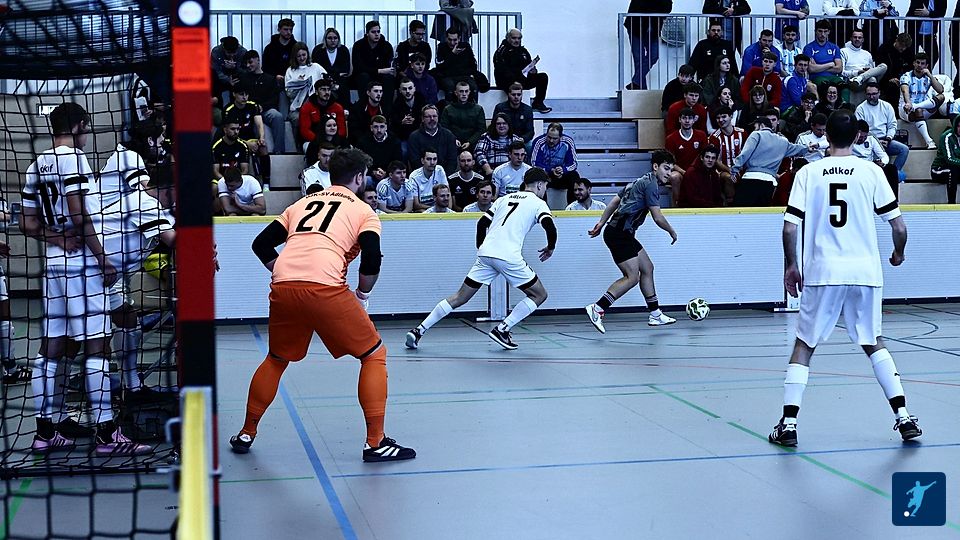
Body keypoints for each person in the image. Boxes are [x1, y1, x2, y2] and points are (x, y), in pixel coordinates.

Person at [230, 148, 416, 463]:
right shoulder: (363, 211)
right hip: (325, 287)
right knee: (373, 355)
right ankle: (375, 442)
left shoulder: (301, 204)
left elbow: (260, 244)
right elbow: (372, 258)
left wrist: (285, 271)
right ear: (360, 178)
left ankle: (247, 432)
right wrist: (362, 295)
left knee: (276, 359)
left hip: (284, 286)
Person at [768, 109, 921, 448]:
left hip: (824, 271)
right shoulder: (871, 171)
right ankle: (904, 416)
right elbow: (899, 226)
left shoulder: (809, 173)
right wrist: (899, 254)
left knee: (804, 344)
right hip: (864, 271)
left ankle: (789, 424)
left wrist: (791, 266)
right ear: (856, 137)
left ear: (826, 136)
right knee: (873, 340)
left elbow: (789, 228)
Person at [21, 102, 148, 455]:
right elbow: (79, 215)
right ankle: (107, 434)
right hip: (82, 265)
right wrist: (103, 258)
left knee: (51, 347)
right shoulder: (74, 160)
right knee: (97, 345)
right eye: (87, 128)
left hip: (53, 266)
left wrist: (55, 239)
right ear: (79, 125)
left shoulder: (35, 164)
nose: (87, 134)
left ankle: (45, 432)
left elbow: (27, 223)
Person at [405, 167, 557, 350]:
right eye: (545, 186)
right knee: (539, 295)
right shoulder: (538, 203)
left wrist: (482, 248)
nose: (545, 189)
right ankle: (502, 329)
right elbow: (550, 226)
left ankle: (418, 330)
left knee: (460, 297)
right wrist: (550, 247)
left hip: (486, 253)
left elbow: (482, 223)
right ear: (540, 185)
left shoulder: (503, 199)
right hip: (508, 255)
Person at [584, 150, 678, 333]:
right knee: (632, 277)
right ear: (655, 166)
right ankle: (598, 308)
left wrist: (601, 223)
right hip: (619, 234)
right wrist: (672, 231)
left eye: (671, 169)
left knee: (647, 268)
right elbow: (657, 217)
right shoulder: (651, 185)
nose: (669, 173)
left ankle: (655, 314)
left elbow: (614, 201)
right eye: (666, 168)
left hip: (622, 233)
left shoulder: (638, 181)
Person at [731, 116, 812, 206]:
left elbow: (745, 153)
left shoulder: (756, 134)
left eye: (755, 127)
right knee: (762, 212)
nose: (754, 129)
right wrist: (807, 148)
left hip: (750, 178)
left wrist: (735, 169)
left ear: (761, 125)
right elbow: (796, 148)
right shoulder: (783, 141)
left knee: (741, 211)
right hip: (770, 181)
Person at [856, 80, 909, 176]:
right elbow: (861, 129)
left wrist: (888, 139)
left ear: (879, 93)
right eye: (869, 94)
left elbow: (892, 125)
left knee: (904, 149)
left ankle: (893, 174)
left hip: (886, 139)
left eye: (874, 94)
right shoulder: (861, 109)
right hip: (869, 140)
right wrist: (876, 141)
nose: (871, 97)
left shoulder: (887, 106)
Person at [493, 28, 552, 113]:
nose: (517, 40)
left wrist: (533, 71)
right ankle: (513, 107)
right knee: (510, 80)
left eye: (519, 38)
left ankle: (538, 103)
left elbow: (528, 65)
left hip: (522, 78)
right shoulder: (501, 51)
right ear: (508, 38)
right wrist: (516, 78)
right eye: (514, 38)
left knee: (543, 77)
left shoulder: (523, 51)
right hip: (507, 81)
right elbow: (501, 71)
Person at [224, 87, 271, 187]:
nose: (244, 97)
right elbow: (230, 133)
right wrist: (246, 143)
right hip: (234, 140)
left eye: (246, 94)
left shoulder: (253, 105)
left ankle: (266, 183)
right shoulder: (229, 110)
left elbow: (259, 124)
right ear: (234, 94)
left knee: (263, 147)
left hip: (251, 138)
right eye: (241, 94)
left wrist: (261, 138)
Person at [242, 50, 286, 154]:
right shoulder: (244, 79)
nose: (248, 65)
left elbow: (274, 99)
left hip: (266, 110)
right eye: (246, 63)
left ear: (258, 60)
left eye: (250, 62)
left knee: (277, 116)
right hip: (251, 112)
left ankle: (279, 151)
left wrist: (262, 106)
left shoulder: (270, 79)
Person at [624, 0, 673, 90]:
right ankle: (640, 88)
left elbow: (668, 7)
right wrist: (657, 8)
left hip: (653, 28)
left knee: (653, 55)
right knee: (639, 58)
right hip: (635, 27)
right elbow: (641, 6)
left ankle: (636, 83)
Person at [899, 53, 945, 149]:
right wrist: (909, 103)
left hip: (922, 108)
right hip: (906, 109)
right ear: (914, 63)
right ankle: (929, 141)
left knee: (941, 97)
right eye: (918, 62)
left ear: (926, 65)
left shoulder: (928, 77)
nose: (920, 65)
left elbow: (940, 90)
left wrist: (930, 75)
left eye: (922, 63)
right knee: (918, 110)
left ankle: (916, 106)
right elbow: (905, 90)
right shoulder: (906, 76)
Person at [665, 107, 709, 204]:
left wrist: (693, 172)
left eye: (690, 118)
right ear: (679, 119)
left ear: (694, 120)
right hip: (680, 171)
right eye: (684, 118)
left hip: (698, 170)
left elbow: (705, 157)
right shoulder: (671, 138)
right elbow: (670, 162)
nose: (687, 121)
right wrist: (684, 172)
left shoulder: (701, 135)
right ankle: (677, 205)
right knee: (674, 177)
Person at [531, 122, 579, 206]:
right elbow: (534, 163)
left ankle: (572, 207)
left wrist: (563, 170)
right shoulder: (539, 142)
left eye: (555, 138)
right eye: (549, 137)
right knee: (537, 176)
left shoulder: (568, 142)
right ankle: (542, 207)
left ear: (560, 137)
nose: (551, 141)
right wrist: (550, 170)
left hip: (562, 175)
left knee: (574, 176)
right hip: (546, 174)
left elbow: (573, 164)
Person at [285, 43, 326, 141]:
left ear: (308, 54)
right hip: (297, 107)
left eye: (304, 55)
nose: (302, 58)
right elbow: (288, 93)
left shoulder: (316, 67)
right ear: (295, 57)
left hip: (316, 104)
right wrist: (298, 85)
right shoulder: (290, 70)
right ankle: (298, 145)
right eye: (299, 56)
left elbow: (325, 82)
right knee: (297, 118)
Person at [352, 21, 396, 105]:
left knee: (389, 78)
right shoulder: (358, 45)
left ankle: (386, 108)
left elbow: (387, 67)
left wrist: (378, 71)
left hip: (380, 76)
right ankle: (364, 106)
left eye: (378, 31)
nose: (376, 34)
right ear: (367, 33)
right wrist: (378, 70)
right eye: (373, 32)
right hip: (363, 75)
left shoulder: (386, 46)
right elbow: (358, 67)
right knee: (363, 76)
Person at [853, 119, 900, 198]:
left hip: (869, 166)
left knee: (891, 169)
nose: (863, 139)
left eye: (865, 137)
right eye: (860, 137)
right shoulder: (847, 140)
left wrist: (882, 163)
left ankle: (893, 199)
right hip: (854, 167)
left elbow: (884, 156)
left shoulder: (871, 138)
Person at [407, 104, 459, 172]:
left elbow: (452, 160)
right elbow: (415, 161)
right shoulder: (414, 137)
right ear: (422, 119)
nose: (432, 119)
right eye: (428, 117)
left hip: (444, 175)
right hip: (422, 175)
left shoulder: (448, 135)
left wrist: (444, 176)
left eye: (434, 116)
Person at [355, 115, 403, 185]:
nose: (379, 130)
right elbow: (360, 163)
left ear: (386, 127)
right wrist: (373, 173)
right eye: (376, 127)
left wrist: (386, 173)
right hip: (370, 176)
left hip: (390, 177)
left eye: (382, 127)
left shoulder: (394, 141)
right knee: (361, 181)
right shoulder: (363, 142)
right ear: (371, 128)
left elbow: (397, 162)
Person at [804, 20, 846, 99]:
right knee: (825, 85)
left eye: (825, 31)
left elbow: (839, 68)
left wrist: (818, 67)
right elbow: (811, 69)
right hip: (817, 77)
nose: (822, 34)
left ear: (829, 32)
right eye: (820, 31)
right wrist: (830, 64)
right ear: (815, 31)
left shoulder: (834, 47)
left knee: (845, 87)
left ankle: (844, 106)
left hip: (833, 77)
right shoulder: (809, 48)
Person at [474, 112, 525, 177]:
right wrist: (487, 168)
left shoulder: (515, 139)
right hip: (491, 171)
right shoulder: (486, 137)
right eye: (498, 124)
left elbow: (522, 155)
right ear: (494, 125)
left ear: (508, 125)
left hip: (511, 173)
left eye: (504, 123)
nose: (501, 126)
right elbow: (478, 152)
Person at [299, 78, 347, 146]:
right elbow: (305, 131)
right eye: (323, 89)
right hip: (314, 141)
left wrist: (333, 141)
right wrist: (320, 141)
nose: (327, 92)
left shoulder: (338, 107)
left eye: (328, 89)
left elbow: (342, 130)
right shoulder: (307, 108)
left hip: (334, 141)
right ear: (316, 92)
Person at [311, 28, 352, 108]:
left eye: (335, 38)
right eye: (330, 38)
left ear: (338, 39)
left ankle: (345, 110)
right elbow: (317, 69)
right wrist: (334, 74)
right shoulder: (318, 50)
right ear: (325, 39)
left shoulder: (343, 50)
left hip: (340, 80)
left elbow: (345, 70)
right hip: (322, 79)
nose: (333, 40)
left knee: (343, 87)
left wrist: (333, 75)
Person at [709, 106, 746, 193]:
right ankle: (730, 200)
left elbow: (747, 154)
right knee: (728, 177)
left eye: (724, 116)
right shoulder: (714, 137)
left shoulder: (742, 133)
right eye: (718, 118)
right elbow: (716, 160)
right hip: (723, 171)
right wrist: (730, 170)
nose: (721, 120)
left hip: (741, 169)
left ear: (731, 116)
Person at [434, 27, 481, 97]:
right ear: (446, 38)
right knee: (450, 88)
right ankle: (449, 104)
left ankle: (473, 104)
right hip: (448, 76)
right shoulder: (442, 47)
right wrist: (452, 54)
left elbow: (473, 63)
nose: (452, 43)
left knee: (473, 88)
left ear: (459, 38)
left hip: (464, 75)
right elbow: (440, 66)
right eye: (450, 39)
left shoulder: (465, 46)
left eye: (455, 40)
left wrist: (472, 74)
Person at [440, 80, 486, 150]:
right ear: (456, 93)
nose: (464, 94)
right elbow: (444, 128)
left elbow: (481, 129)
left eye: (466, 91)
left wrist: (470, 142)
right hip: (452, 143)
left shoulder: (478, 109)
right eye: (461, 91)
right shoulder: (448, 109)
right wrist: (453, 139)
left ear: (469, 92)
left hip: (473, 144)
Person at [906, 0, 947, 72]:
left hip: (929, 34)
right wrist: (930, 14)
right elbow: (916, 11)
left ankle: (925, 74)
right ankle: (912, 75)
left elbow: (942, 13)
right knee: (910, 56)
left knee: (934, 55)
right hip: (914, 32)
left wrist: (929, 13)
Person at [930, 114, 960, 204]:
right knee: (952, 171)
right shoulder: (947, 136)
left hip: (957, 168)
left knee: (955, 170)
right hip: (939, 169)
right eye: (959, 126)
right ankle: (951, 203)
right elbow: (949, 159)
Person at [348, 81, 388, 146]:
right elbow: (354, 129)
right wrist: (367, 141)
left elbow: (388, 128)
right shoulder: (357, 108)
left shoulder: (385, 108)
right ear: (368, 93)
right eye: (376, 91)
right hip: (361, 142)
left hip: (381, 141)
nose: (379, 94)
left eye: (381, 91)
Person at [391, 77, 426, 147]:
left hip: (421, 135)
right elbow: (394, 124)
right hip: (404, 137)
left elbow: (426, 118)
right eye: (404, 89)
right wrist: (402, 122)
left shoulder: (421, 100)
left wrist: (415, 121)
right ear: (400, 90)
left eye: (410, 88)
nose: (407, 91)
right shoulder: (397, 104)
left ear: (414, 89)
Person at [212, 36, 248, 104]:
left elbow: (246, 71)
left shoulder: (243, 52)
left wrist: (235, 67)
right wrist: (228, 79)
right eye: (229, 53)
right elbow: (215, 71)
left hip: (237, 79)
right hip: (221, 80)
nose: (231, 55)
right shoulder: (216, 51)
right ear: (223, 48)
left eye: (234, 53)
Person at [262, 18, 297, 84]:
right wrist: (275, 76)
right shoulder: (269, 48)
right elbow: (265, 67)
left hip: (293, 82)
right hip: (273, 83)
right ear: (279, 30)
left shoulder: (296, 48)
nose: (289, 32)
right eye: (285, 29)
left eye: (291, 30)